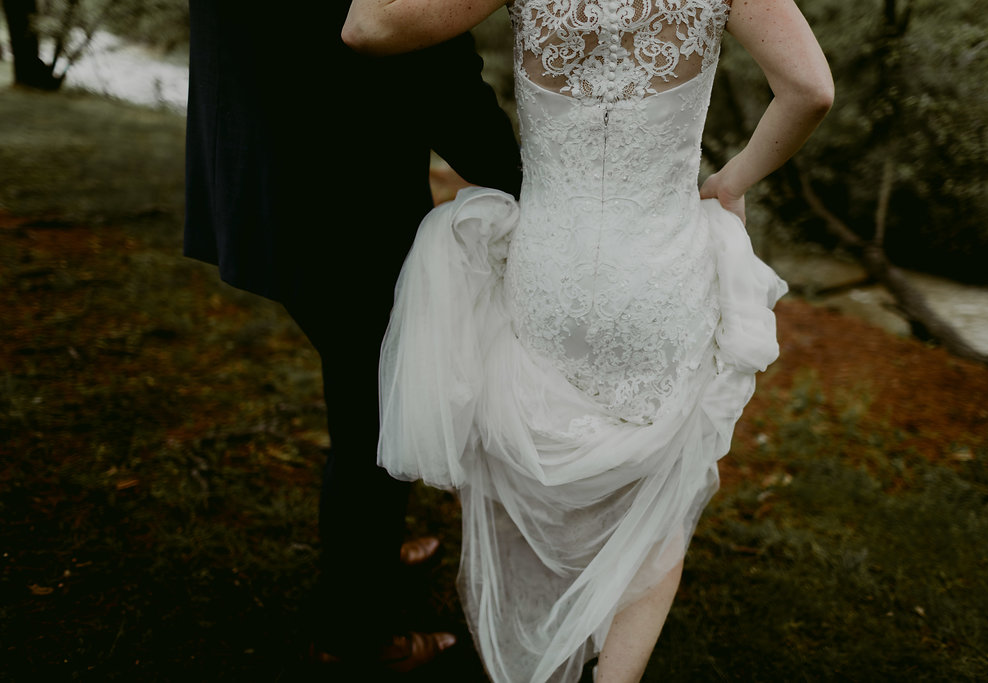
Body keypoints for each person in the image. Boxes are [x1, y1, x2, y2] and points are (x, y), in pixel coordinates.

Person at [343, 0, 833, 681]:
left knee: (531, 466)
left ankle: (540, 653)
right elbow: (811, 89)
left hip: (551, 274)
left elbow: (367, 26)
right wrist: (732, 180)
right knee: (657, 497)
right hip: (659, 279)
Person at [183, 1, 523, 675]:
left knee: (360, 380)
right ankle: (352, 632)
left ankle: (371, 546)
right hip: (335, 200)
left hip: (256, 163)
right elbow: (434, 69)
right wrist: (536, 186)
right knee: (374, 414)